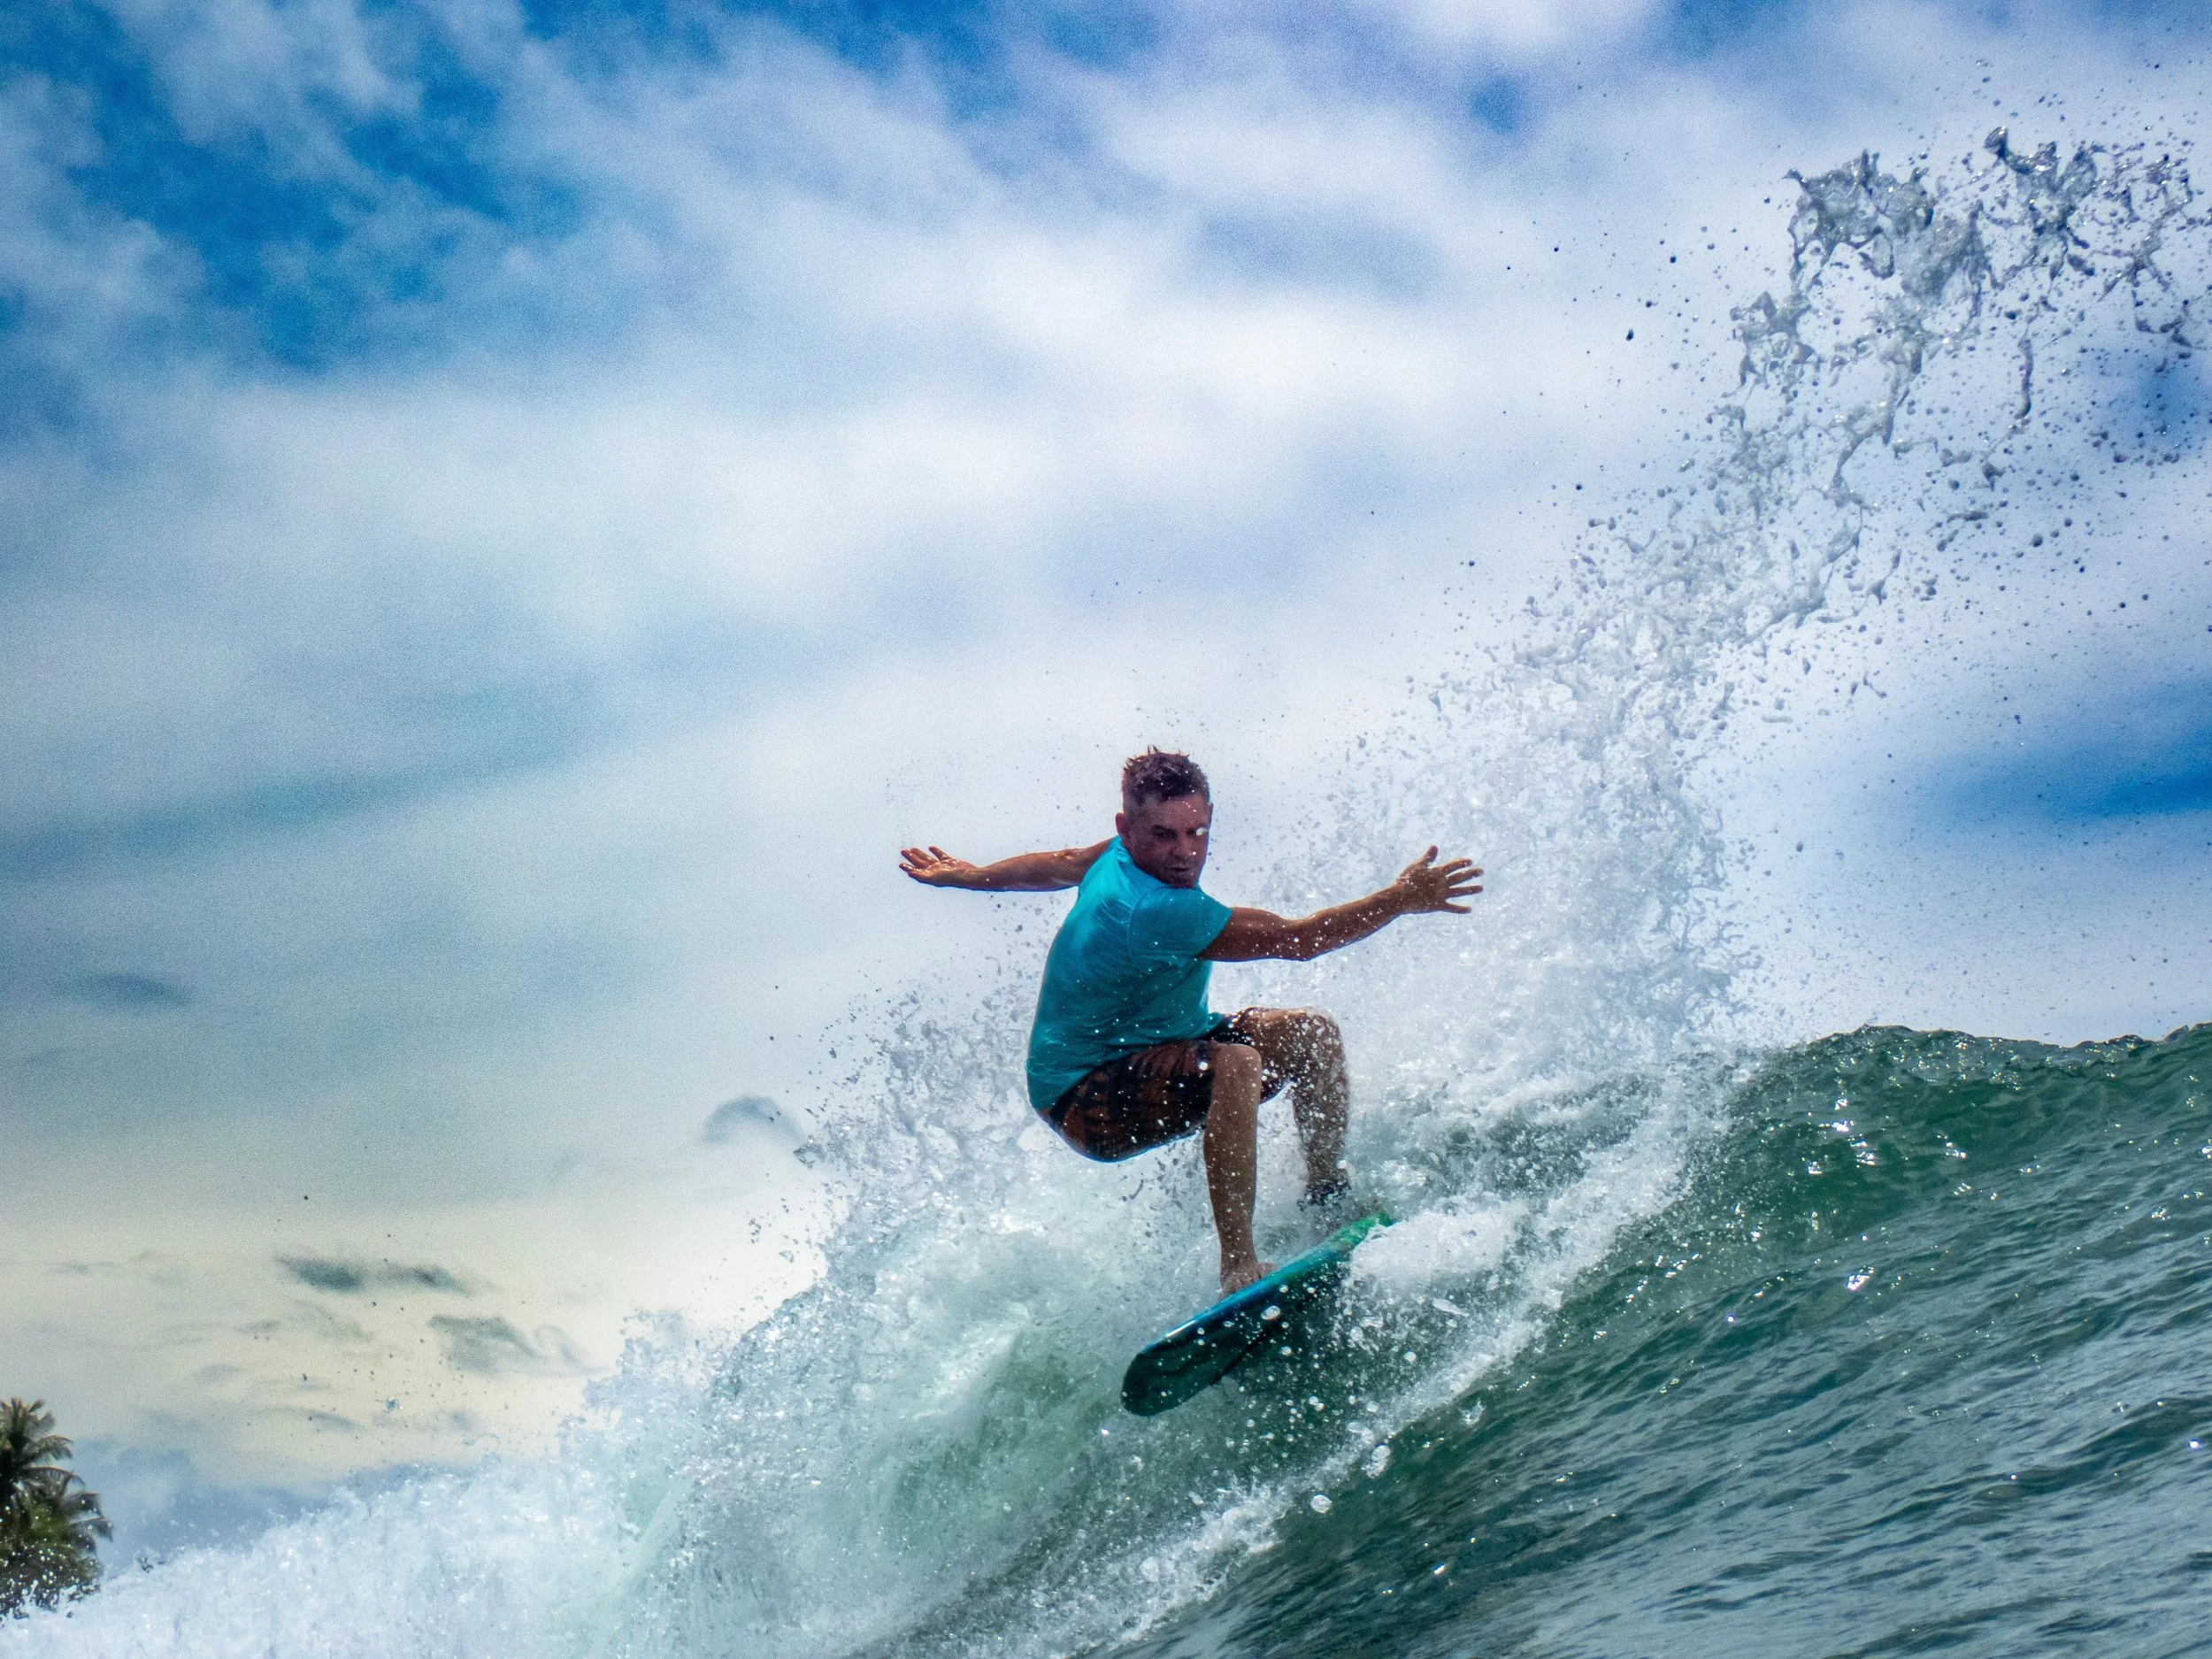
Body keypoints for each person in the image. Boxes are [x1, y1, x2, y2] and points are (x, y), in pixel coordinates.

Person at [899, 749, 1482, 1295]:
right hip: (1081, 1094)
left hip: (1166, 1041)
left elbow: (1058, 865)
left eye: (1196, 831)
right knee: (1237, 1064)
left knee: (1313, 1034)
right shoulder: (1153, 909)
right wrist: (1400, 898)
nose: (1185, 851)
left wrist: (970, 876)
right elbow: (1299, 939)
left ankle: (1325, 1195)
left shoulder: (1119, 853)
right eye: (1165, 835)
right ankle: (1238, 1265)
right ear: (1128, 828)